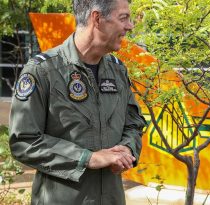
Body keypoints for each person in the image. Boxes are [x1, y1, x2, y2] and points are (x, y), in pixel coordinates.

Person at [9, 0, 146, 204]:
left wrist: (127, 149)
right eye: (123, 18)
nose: (130, 26)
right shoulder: (43, 71)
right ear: (97, 18)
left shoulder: (117, 70)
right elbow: (24, 140)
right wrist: (87, 158)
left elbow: (134, 123)